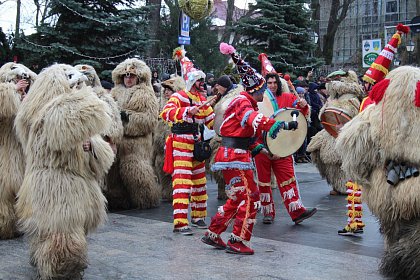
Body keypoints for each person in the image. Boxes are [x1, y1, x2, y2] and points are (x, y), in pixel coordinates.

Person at [15, 64, 114, 279]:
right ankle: (60, 269)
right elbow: (64, 132)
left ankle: (48, 261)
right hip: (55, 185)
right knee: (61, 237)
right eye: (75, 85)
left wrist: (92, 147)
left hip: (73, 184)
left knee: (56, 231)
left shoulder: (63, 113)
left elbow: (103, 155)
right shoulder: (46, 114)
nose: (79, 89)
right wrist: (88, 94)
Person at [201, 42, 298, 255]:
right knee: (251, 196)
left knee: (237, 197)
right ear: (257, 89)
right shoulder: (243, 102)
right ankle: (239, 240)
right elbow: (251, 119)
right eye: (264, 89)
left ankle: (213, 232)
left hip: (233, 156)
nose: (267, 92)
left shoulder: (245, 102)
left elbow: (245, 135)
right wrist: (276, 124)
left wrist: (262, 149)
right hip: (235, 158)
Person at [160, 48, 215, 235]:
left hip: (197, 142)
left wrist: (214, 113)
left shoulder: (201, 98)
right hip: (181, 142)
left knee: (199, 181)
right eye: (200, 81)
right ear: (192, 81)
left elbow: (210, 120)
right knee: (182, 181)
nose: (203, 84)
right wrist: (185, 113)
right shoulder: (178, 97)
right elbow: (165, 114)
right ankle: (180, 221)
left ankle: (198, 216)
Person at [254, 72, 317, 225]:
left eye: (274, 82)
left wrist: (304, 106)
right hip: (262, 147)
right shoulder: (259, 100)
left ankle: (297, 211)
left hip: (283, 147)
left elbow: (300, 114)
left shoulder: (288, 98)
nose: (272, 85)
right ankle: (268, 212)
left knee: (288, 180)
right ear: (265, 85)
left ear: (279, 84)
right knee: (264, 181)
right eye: (269, 83)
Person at [108, 58, 161, 210]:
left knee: (136, 173)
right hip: (117, 141)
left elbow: (150, 120)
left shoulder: (145, 94)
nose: (128, 78)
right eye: (125, 75)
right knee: (114, 174)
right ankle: (117, 199)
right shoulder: (115, 92)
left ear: (138, 77)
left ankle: (145, 199)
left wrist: (128, 117)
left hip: (136, 143)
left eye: (131, 75)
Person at [0, 62, 36, 239]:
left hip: (23, 150)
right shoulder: (4, 91)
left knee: (21, 188)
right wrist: (13, 90)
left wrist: (26, 99)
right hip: (5, 148)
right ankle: (3, 224)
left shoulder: (26, 96)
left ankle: (18, 223)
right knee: (4, 188)